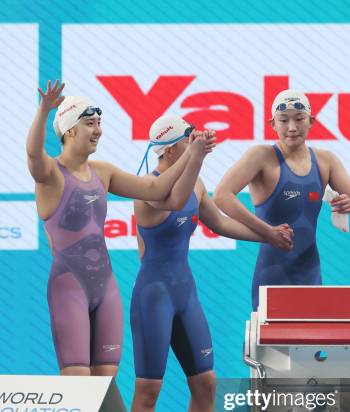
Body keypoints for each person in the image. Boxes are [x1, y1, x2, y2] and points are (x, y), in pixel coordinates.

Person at [26, 80, 213, 377]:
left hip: (107, 288)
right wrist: (44, 112)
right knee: (78, 381)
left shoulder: (103, 172)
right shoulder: (51, 174)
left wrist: (192, 153)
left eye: (99, 123)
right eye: (90, 123)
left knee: (105, 385)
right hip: (69, 287)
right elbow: (34, 156)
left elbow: (156, 187)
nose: (98, 130)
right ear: (69, 130)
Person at [130, 115, 275, 412]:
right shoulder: (146, 191)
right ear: (169, 151)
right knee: (149, 390)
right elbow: (174, 199)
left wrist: (269, 235)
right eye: (188, 141)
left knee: (206, 383)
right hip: (154, 297)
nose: (195, 144)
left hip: (185, 294)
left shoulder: (196, 184)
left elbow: (220, 223)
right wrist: (198, 156)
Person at [214, 89, 350, 309]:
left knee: (311, 343)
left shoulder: (326, 161)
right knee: (270, 343)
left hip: (310, 274)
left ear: (311, 121)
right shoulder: (260, 157)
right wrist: (267, 231)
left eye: (299, 119)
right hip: (271, 275)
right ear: (272, 124)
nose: (292, 128)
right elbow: (221, 196)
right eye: (283, 120)